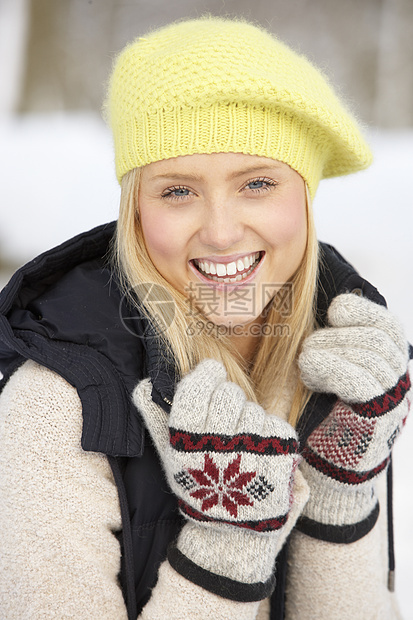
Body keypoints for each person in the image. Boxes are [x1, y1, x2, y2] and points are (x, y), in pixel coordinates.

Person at [0, 16, 411, 620]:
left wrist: (339, 489)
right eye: (177, 191)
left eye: (257, 184)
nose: (220, 232)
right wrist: (223, 552)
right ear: (135, 210)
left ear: (305, 196)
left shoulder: (339, 363)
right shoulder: (55, 404)